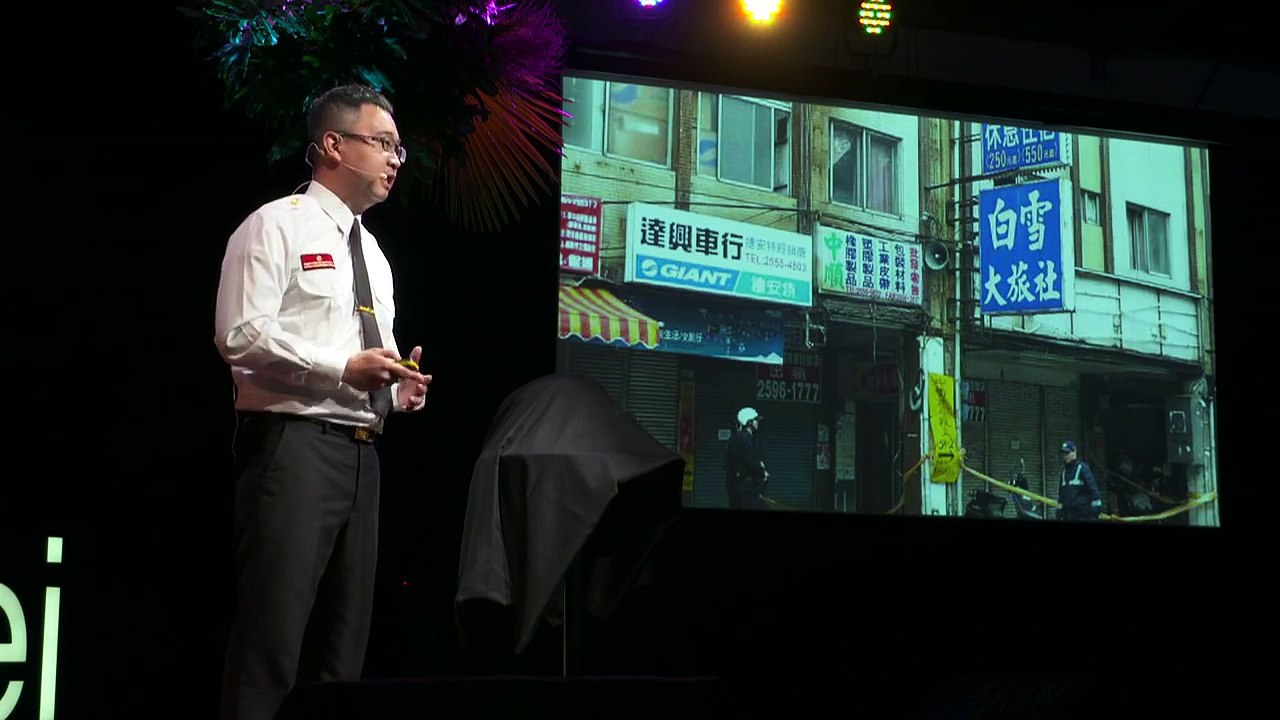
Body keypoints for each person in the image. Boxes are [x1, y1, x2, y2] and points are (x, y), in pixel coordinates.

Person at [213, 84, 433, 720]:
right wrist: (342, 369)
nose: (395, 159)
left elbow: (367, 355)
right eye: (383, 143)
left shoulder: (375, 256)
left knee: (343, 654)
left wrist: (397, 387)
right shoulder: (274, 225)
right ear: (333, 145)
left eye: (398, 148)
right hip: (294, 448)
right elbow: (239, 335)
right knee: (272, 644)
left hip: (363, 456)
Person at [724, 407, 768, 509]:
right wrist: (762, 471)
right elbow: (751, 462)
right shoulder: (745, 439)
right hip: (746, 489)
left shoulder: (734, 439)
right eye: (756, 420)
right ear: (749, 422)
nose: (757, 422)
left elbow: (726, 463)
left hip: (735, 487)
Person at [1057, 440, 1102, 522]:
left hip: (1083, 515)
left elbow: (1093, 491)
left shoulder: (1083, 469)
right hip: (1068, 516)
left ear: (1074, 452)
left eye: (1067, 453)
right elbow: (1061, 495)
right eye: (1063, 453)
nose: (1064, 456)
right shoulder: (1064, 472)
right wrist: (1059, 511)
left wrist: (1094, 512)